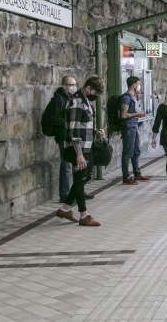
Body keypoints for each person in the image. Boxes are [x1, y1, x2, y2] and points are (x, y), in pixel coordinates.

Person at [55, 76, 105, 226]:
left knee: (82, 178)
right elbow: (74, 131)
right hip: (78, 149)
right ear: (88, 88)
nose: (94, 95)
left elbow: (83, 124)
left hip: (86, 147)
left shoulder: (87, 101)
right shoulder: (77, 102)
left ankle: (66, 209)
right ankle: (84, 215)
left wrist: (95, 131)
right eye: (94, 92)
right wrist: (79, 154)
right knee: (80, 179)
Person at [49, 76, 93, 203]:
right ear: (64, 86)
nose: (74, 87)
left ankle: (78, 192)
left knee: (77, 168)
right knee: (67, 165)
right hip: (65, 137)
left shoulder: (75, 98)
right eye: (71, 85)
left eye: (75, 84)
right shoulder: (58, 100)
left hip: (73, 136)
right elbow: (56, 118)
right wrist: (70, 123)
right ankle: (65, 194)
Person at [121, 76, 149, 185]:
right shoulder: (126, 98)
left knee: (136, 151)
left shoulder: (133, 97)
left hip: (134, 126)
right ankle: (126, 176)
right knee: (128, 152)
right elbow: (123, 114)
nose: (139, 86)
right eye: (138, 84)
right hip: (129, 128)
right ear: (134, 85)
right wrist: (137, 114)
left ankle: (137, 173)